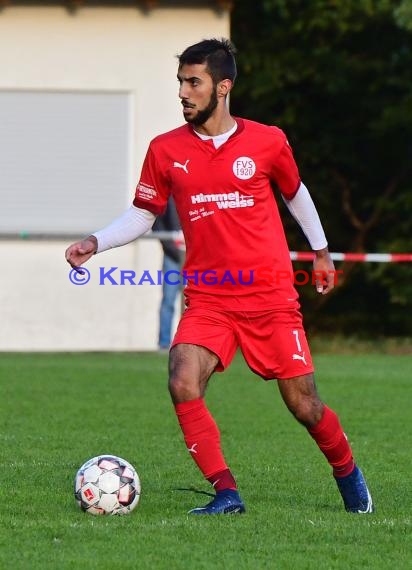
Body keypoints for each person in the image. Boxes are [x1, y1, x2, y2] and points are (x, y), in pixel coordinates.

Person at [66, 38, 374, 515]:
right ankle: (226, 492)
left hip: (271, 296)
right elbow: (144, 213)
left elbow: (296, 194)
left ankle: (348, 473)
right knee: (183, 380)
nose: (184, 93)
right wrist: (95, 242)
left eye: (194, 83)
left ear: (223, 87)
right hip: (209, 298)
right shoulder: (165, 150)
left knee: (305, 406)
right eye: (181, 83)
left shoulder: (268, 141)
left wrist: (321, 253)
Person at [152, 197, 185, 350]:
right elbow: (157, 225)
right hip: (172, 256)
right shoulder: (168, 197)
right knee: (169, 300)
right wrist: (171, 249)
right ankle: (164, 344)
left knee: (198, 302)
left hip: (197, 256)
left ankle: (190, 343)